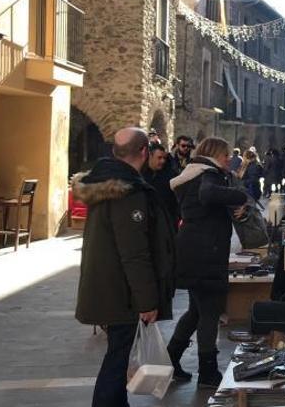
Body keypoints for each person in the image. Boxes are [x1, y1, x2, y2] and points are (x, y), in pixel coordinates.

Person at [73, 127, 176, 407]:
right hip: (123, 294)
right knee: (118, 360)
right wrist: (147, 300)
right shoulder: (127, 192)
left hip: (108, 288)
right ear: (144, 152)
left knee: (118, 355)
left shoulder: (105, 183)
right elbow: (134, 252)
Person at [168, 137, 249, 388]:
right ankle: (208, 371)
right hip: (205, 253)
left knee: (196, 311)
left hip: (195, 250)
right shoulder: (208, 174)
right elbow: (209, 194)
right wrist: (239, 195)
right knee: (210, 313)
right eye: (225, 155)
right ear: (215, 154)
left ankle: (170, 360)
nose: (228, 159)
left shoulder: (192, 173)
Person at [143, 143, 180, 224]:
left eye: (164, 158)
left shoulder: (171, 175)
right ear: (150, 156)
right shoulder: (141, 174)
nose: (162, 161)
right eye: (159, 158)